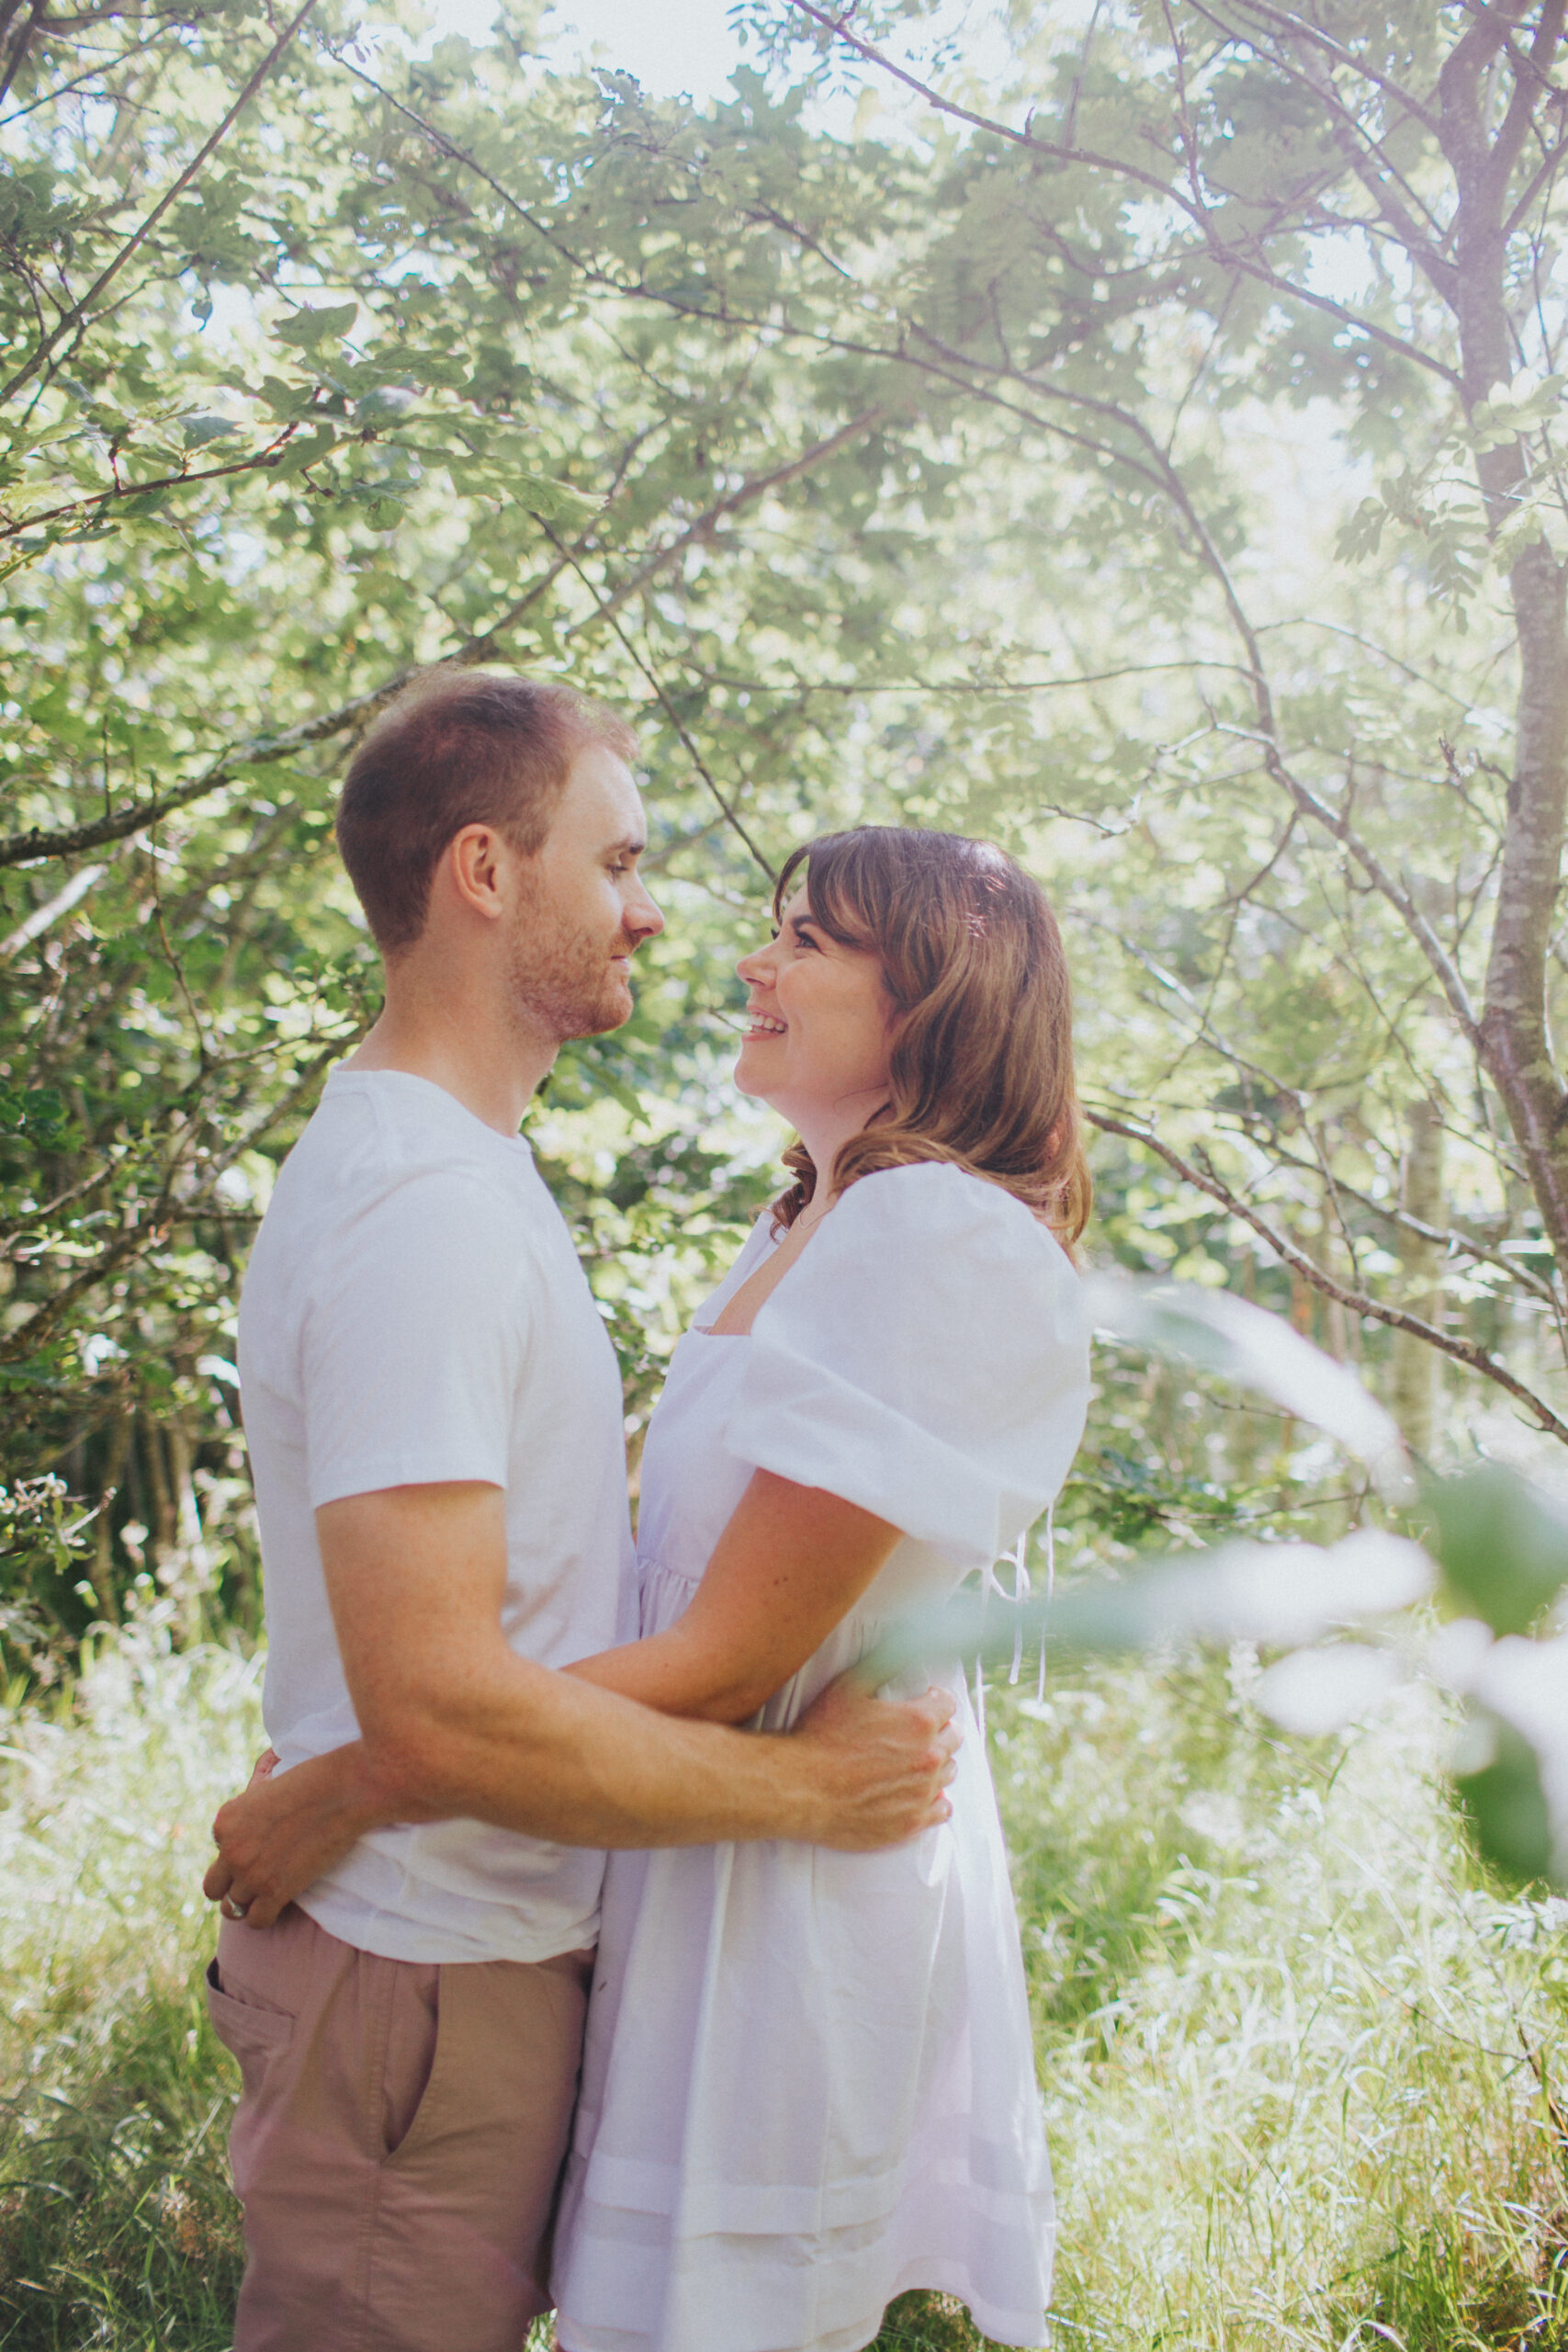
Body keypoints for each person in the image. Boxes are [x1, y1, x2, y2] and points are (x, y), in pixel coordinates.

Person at [225, 814, 1093, 2352]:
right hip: (688, 1854)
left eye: (809, 941)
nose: (752, 959)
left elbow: (718, 1656)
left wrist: (352, 1781)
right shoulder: (805, 1219)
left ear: (935, 995)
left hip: (785, 1913)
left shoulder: (930, 1235)